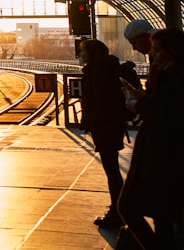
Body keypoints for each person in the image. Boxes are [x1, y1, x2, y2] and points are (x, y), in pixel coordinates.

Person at [118, 28, 184, 248]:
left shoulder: (168, 74)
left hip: (159, 148)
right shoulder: (173, 73)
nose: (153, 55)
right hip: (168, 150)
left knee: (128, 207)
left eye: (157, 50)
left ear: (172, 51)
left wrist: (137, 105)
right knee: (162, 211)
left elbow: (163, 111)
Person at [78, 39, 129, 229]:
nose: (80, 55)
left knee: (112, 170)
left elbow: (101, 101)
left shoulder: (98, 72)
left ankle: (118, 212)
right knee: (112, 169)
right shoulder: (105, 69)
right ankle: (119, 209)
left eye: (83, 51)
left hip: (105, 127)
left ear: (91, 54)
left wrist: (91, 122)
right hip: (111, 126)